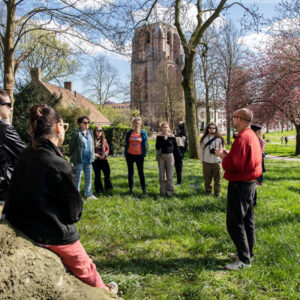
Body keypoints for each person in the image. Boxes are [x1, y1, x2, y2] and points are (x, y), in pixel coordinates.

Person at [4, 104, 117, 293]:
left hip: (21, 224)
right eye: (63, 126)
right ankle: (105, 292)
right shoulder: (59, 164)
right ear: (58, 127)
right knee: (86, 267)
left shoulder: (25, 154)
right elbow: (73, 214)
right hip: (49, 232)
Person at [215, 108, 262, 270]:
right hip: (249, 184)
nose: (233, 120)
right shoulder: (252, 136)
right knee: (247, 220)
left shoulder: (242, 137)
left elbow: (235, 164)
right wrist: (229, 155)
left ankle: (244, 260)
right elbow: (244, 158)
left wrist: (223, 157)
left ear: (241, 119)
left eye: (235, 117)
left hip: (240, 184)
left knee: (234, 222)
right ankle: (248, 253)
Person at [0, 89, 25, 205]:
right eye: (8, 105)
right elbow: (24, 154)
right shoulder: (6, 130)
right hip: (3, 190)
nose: (11, 108)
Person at [69, 115, 97, 200]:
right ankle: (76, 196)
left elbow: (91, 145)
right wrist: (74, 156)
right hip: (79, 160)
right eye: (85, 122)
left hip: (88, 159)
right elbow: (71, 147)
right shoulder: (76, 133)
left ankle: (88, 194)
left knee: (89, 178)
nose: (87, 124)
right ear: (79, 123)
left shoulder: (90, 132)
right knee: (77, 179)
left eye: (88, 122)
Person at [200, 122, 225, 197]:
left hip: (216, 161)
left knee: (218, 179)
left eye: (213, 128)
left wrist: (222, 160)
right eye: (210, 128)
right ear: (207, 129)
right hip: (206, 161)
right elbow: (201, 150)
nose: (211, 129)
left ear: (216, 129)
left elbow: (222, 150)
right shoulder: (204, 139)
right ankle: (208, 192)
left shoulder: (219, 139)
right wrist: (202, 160)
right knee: (207, 179)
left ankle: (217, 193)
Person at [124, 117, 147, 196]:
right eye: (135, 123)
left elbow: (145, 144)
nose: (136, 124)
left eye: (138, 123)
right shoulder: (129, 133)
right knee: (131, 172)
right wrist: (126, 153)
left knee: (141, 172)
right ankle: (131, 189)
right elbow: (126, 143)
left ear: (140, 124)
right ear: (132, 124)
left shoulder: (143, 133)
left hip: (139, 155)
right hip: (130, 154)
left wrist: (144, 153)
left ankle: (144, 190)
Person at [156, 122, 178, 197]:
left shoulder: (172, 136)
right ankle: (162, 191)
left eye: (166, 127)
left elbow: (175, 148)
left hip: (170, 156)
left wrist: (176, 158)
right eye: (163, 127)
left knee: (170, 175)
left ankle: (170, 192)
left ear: (169, 128)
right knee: (162, 175)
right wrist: (163, 140)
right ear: (161, 128)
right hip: (161, 156)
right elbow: (157, 147)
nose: (165, 128)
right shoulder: (159, 137)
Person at [92, 127, 113, 193]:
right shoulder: (92, 140)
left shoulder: (104, 140)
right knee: (97, 175)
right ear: (95, 131)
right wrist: (96, 155)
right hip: (96, 160)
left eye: (101, 130)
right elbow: (90, 150)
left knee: (107, 174)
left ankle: (108, 188)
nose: (99, 132)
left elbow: (107, 149)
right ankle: (99, 190)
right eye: (98, 130)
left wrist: (105, 154)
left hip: (104, 159)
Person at [251, 124, 266, 206]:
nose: (260, 133)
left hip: (256, 163)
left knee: (253, 183)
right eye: (259, 131)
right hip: (256, 162)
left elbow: (260, 151)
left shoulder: (259, 140)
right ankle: (252, 202)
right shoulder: (255, 139)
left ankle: (253, 202)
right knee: (252, 183)